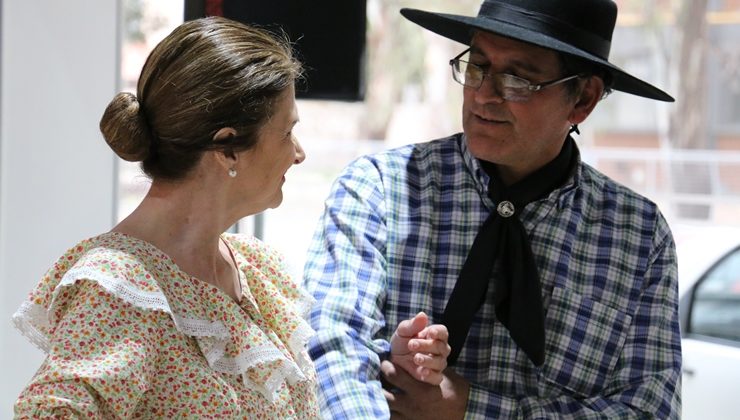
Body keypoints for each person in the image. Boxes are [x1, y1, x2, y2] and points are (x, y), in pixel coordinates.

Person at [303, 0, 682, 418]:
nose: (484, 95)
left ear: (583, 99)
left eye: (518, 79)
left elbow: (647, 410)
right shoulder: (379, 188)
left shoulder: (637, 236)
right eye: (477, 66)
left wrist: (470, 409)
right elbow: (330, 348)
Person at [12, 16, 317, 418]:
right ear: (227, 147)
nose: (298, 153)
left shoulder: (255, 270)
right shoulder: (121, 288)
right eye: (286, 132)